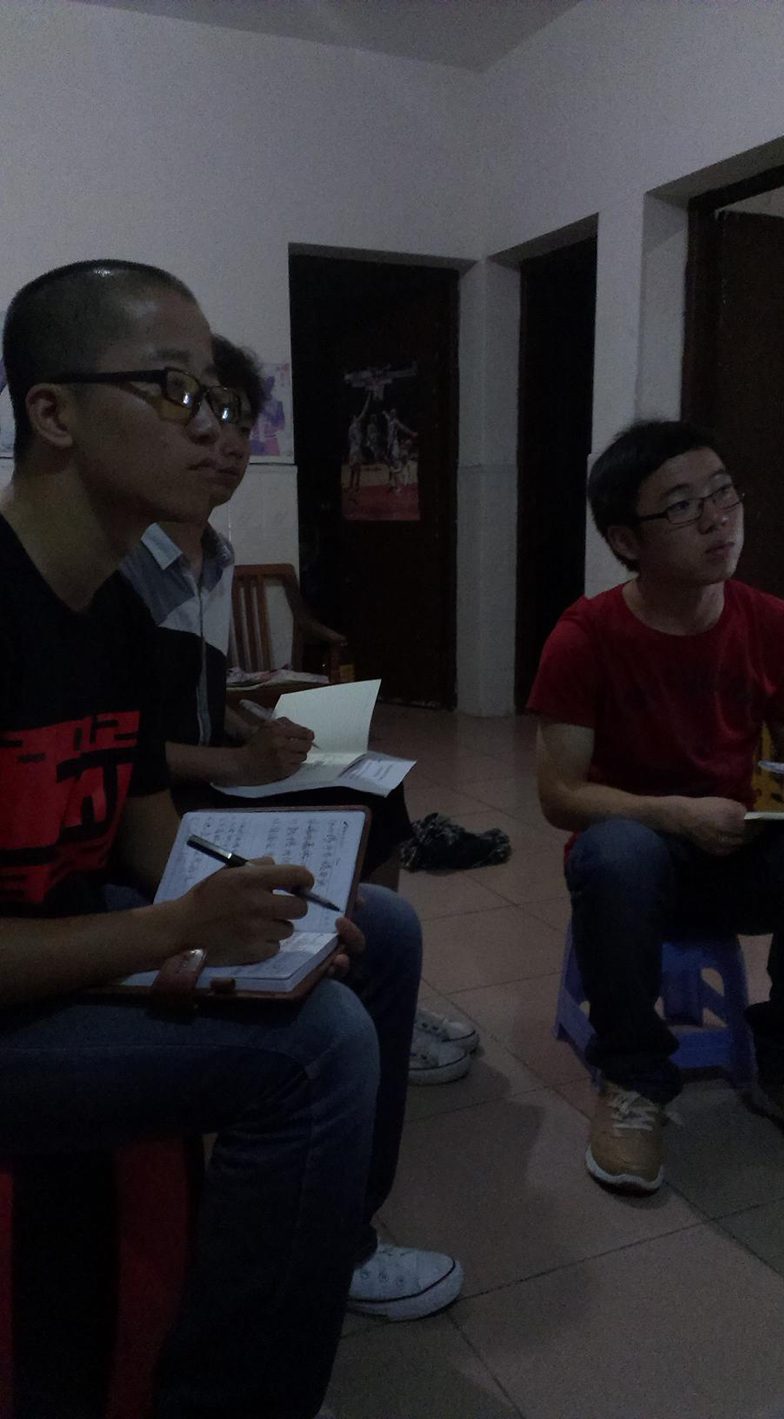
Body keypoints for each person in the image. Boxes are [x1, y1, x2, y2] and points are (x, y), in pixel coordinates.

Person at [0, 259, 462, 1419]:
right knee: (316, 1048)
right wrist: (174, 931)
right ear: (52, 412)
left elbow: (146, 829)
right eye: (175, 390)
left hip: (64, 946)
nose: (216, 428)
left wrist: (266, 907)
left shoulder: (108, 612)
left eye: (218, 397)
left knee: (375, 928)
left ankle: (332, 1247)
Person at [120, 334, 479, 1087]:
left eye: (239, 419)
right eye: (197, 411)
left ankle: (363, 982)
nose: (226, 441)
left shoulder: (213, 556)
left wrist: (256, 729)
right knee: (343, 810)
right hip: (157, 798)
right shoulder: (122, 565)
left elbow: (194, 697)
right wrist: (239, 762)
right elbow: (125, 743)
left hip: (205, 766)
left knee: (372, 788)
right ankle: (337, 986)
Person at [529, 419, 784, 1195]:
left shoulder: (773, 624)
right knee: (618, 852)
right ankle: (634, 1079)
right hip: (636, 864)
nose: (718, 519)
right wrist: (679, 814)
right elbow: (559, 795)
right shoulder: (584, 638)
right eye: (683, 506)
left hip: (735, 851)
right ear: (627, 540)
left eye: (723, 493)